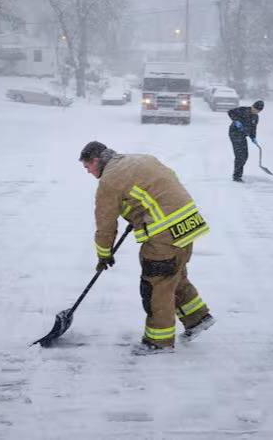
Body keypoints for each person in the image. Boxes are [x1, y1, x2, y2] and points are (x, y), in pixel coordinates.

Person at [79, 141, 214, 353]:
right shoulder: (142, 159)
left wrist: (104, 254)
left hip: (164, 232)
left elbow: (105, 224)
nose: (88, 172)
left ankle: (158, 342)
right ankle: (197, 319)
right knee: (174, 275)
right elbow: (162, 187)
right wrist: (140, 213)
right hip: (189, 223)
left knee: (156, 285)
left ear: (96, 160)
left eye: (87, 167)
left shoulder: (109, 181)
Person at [227, 100, 264, 182]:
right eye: (256, 109)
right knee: (240, 155)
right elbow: (230, 112)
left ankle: (238, 174)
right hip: (235, 133)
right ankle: (237, 176)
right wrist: (236, 121)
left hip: (243, 135)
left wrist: (253, 137)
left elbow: (253, 128)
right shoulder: (243, 110)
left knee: (245, 156)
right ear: (253, 106)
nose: (256, 112)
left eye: (259, 111)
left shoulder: (256, 117)